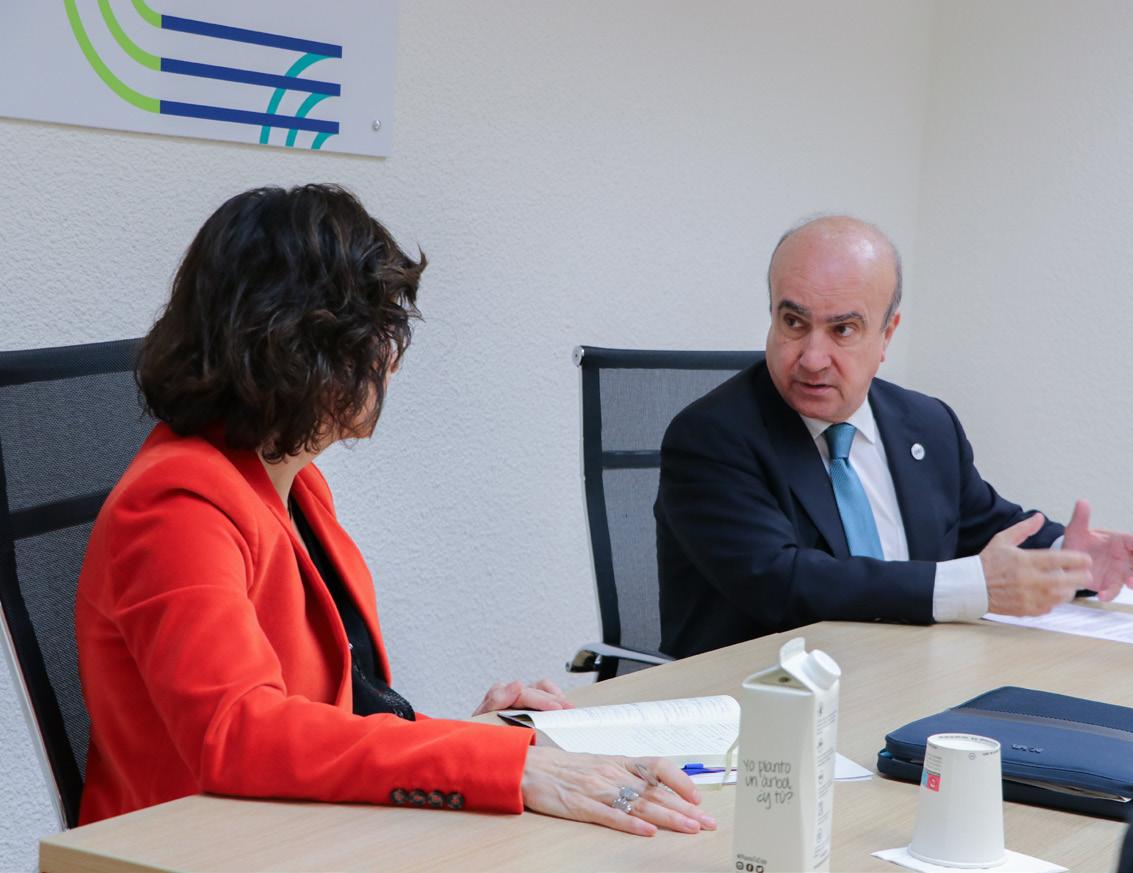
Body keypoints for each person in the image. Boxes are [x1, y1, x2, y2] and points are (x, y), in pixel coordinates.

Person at [76, 184, 715, 838]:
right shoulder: (178, 504)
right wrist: (505, 765)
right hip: (194, 848)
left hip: (289, 833)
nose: (391, 359)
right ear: (305, 347)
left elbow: (336, 713)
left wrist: (485, 739)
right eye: (379, 332)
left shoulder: (295, 485)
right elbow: (239, 733)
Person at [655, 215, 1133, 658]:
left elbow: (985, 528)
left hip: (908, 680)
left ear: (887, 335)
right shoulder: (711, 437)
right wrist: (970, 587)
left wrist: (1069, 558)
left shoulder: (926, 424)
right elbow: (784, 582)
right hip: (761, 705)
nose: (812, 358)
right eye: (793, 322)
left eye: (843, 330)